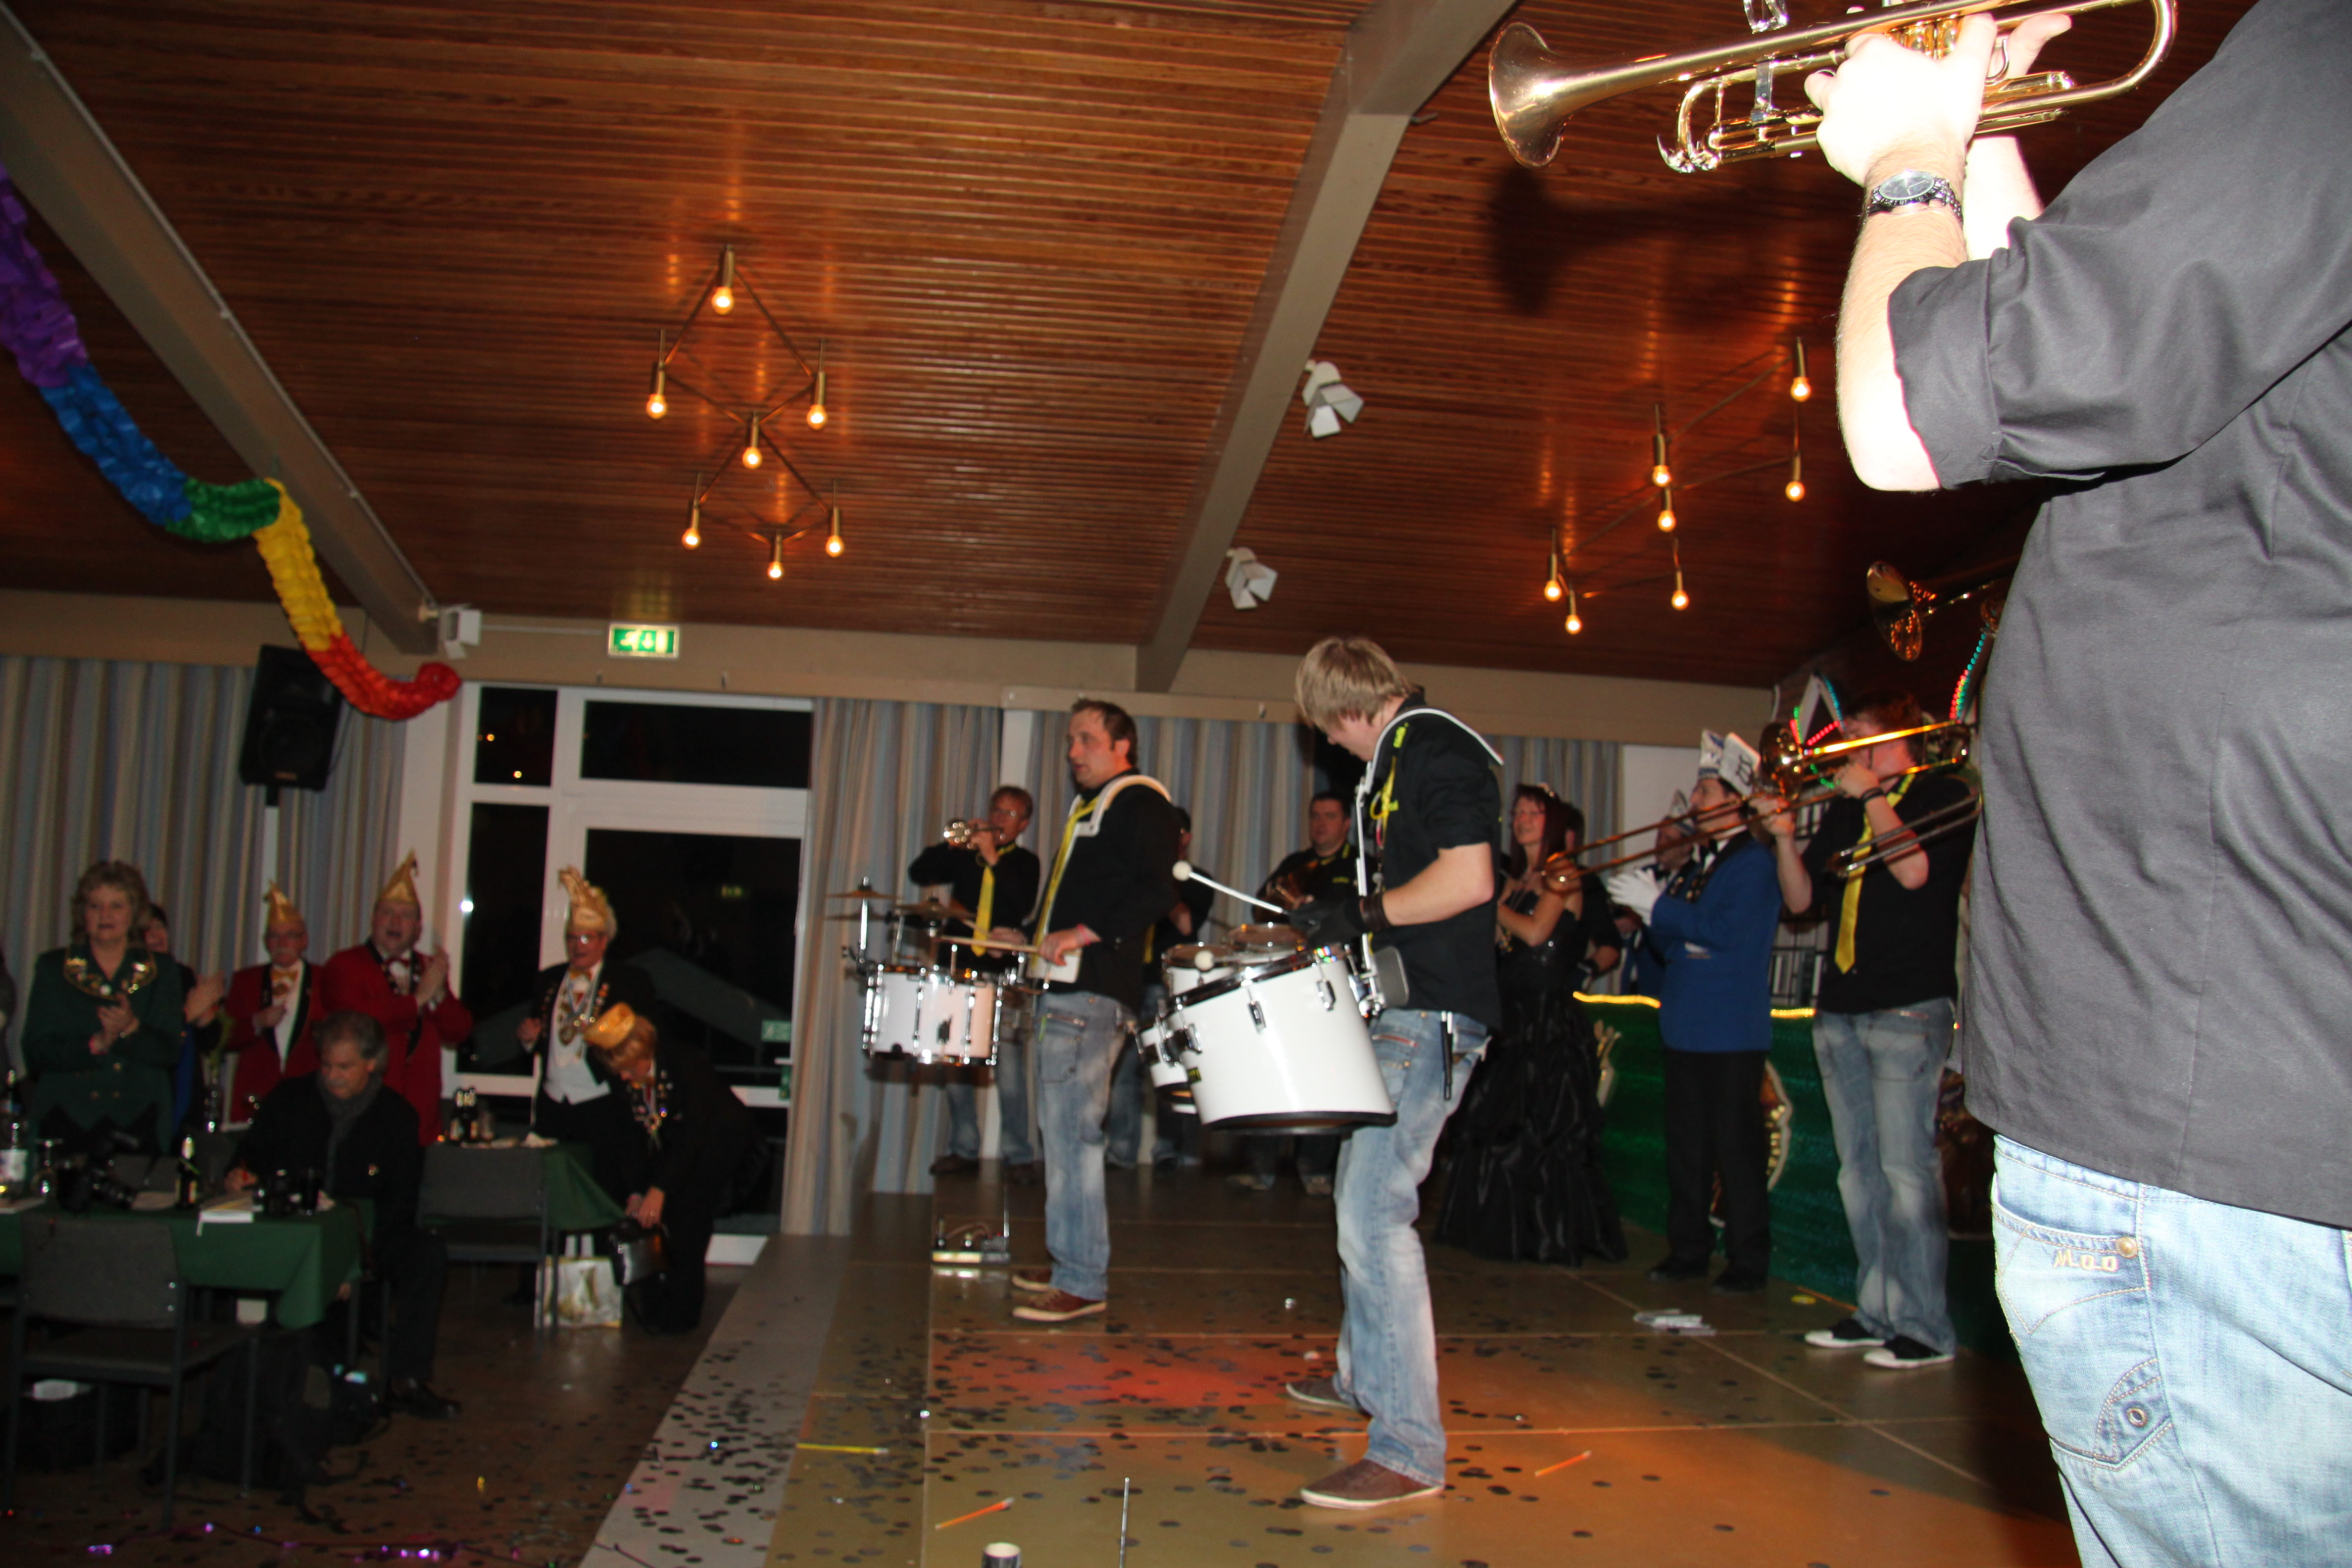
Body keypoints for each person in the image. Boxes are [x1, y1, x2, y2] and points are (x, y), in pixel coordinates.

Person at [1807, 2, 2352, 1555]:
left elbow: (1907, 416)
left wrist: (1908, 160)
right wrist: (1984, 117)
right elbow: (2088, 392)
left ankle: (1903, 1319)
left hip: (2206, 1089)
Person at [1282, 636, 1501, 1510]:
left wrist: (1360, 913)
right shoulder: (1399, 758)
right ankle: (1363, 1378)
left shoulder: (1434, 748)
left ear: (1349, 709)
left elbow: (1470, 879)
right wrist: (1349, 920)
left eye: (1329, 730)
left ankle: (1408, 1447)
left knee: (1375, 1212)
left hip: (1433, 1016)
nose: (1332, 746)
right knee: (1359, 1199)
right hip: (1409, 1011)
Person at [1760, 694, 1974, 1372]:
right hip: (1842, 1006)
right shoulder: (1848, 809)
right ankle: (1877, 1311)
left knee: (1906, 1171)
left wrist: (1876, 796)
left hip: (1907, 1006)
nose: (1840, 746)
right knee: (1858, 1172)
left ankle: (1926, 1328)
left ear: (1897, 737)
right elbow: (1800, 903)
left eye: (1855, 733)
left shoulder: (1944, 794)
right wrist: (1784, 838)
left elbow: (1913, 872)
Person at [1007, 699, 1180, 1324]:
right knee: (1061, 1133)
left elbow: (1159, 890)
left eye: (1085, 739)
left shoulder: (1140, 802)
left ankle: (1081, 1278)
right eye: (1070, 741)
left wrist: (1081, 934)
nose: (1073, 751)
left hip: (1093, 990)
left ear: (1121, 745)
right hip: (1069, 988)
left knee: (1074, 1136)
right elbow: (1079, 898)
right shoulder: (1094, 806)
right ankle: (1069, 1261)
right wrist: (1027, 934)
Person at [1607, 735, 1781, 1295]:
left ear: (1734, 800)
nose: (1696, 801)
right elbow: (1676, 946)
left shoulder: (1753, 862)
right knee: (1687, 1147)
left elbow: (1724, 933)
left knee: (1737, 1149)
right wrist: (1659, 915)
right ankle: (1688, 1249)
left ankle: (1748, 1258)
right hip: (1687, 1026)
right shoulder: (1698, 866)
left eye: (1706, 791)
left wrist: (1662, 910)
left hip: (1729, 1030)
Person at [229, 1010, 457, 1420]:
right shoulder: (290, 1099)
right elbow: (251, 1155)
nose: (333, 1076)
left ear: (371, 1064)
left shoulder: (397, 1117)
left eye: (345, 1067)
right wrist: (240, 1173)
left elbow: (399, 1204)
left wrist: (351, 1259)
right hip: (297, 1227)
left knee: (426, 1254)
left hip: (365, 1232)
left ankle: (406, 1378)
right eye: (327, 1065)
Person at [1435, 784, 1625, 1265]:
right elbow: (1499, 939)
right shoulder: (1516, 879)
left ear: (1553, 821)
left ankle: (1546, 1233)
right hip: (1510, 1011)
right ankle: (1501, 1230)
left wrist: (1487, 904)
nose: (1522, 819)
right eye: (1518, 812)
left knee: (1544, 1126)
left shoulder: (1563, 872)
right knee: (1493, 1121)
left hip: (1546, 1017)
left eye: (1534, 813)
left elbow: (1538, 932)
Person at [582, 1002, 756, 1336]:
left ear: (642, 1054)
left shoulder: (685, 1062)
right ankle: (655, 1308)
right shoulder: (624, 1080)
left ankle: (683, 1315)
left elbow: (694, 1134)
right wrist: (637, 1191)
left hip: (715, 1145)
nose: (623, 1077)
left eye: (628, 1069)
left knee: (688, 1219)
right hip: (670, 1147)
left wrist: (660, 1189)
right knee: (649, 1219)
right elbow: (629, 1140)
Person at [906, 786, 1040, 1179]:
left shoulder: (1026, 863)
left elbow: (1020, 905)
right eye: (996, 811)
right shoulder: (966, 856)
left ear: (1023, 824)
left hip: (1003, 974)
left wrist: (993, 858)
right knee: (954, 1064)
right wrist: (953, 844)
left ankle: (1018, 1155)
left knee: (1009, 1069)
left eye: (1009, 815)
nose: (999, 820)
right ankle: (963, 1148)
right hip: (958, 968)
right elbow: (919, 873)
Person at [1230, 792, 1359, 1193]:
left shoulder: (1359, 866)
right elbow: (1260, 909)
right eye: (1315, 816)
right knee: (1274, 1064)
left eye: (1330, 816)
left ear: (1346, 824)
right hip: (1289, 978)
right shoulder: (1295, 864)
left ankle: (1317, 1166)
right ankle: (1260, 1165)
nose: (1321, 823)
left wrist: (1318, 911)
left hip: (1336, 981)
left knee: (1327, 1073)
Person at [512, 867, 657, 1206]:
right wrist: (528, 1038)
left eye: (586, 938)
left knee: (602, 1195)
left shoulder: (629, 982)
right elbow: (540, 1039)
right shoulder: (548, 980)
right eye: (571, 938)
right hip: (553, 1105)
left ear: (604, 940)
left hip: (602, 1104)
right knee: (549, 1198)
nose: (577, 946)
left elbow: (647, 1039)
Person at [20, 861, 185, 1153]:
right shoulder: (54, 968)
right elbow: (36, 1052)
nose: (105, 915)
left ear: (135, 913)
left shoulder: (161, 970)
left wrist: (131, 1029)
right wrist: (94, 1045)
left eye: (116, 906)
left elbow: (170, 1051)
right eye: (95, 906)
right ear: (83, 913)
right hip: (66, 1116)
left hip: (138, 1120)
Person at [317, 853, 471, 1145]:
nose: (396, 922)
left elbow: (459, 1031)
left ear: (418, 928)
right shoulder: (344, 964)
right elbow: (356, 1020)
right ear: (374, 920)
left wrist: (438, 994)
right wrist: (418, 1000)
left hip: (420, 1116)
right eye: (388, 913)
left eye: (406, 916)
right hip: (364, 1111)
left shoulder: (427, 967)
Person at [1107, 805, 1212, 1173]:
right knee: (1123, 1072)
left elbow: (1185, 925)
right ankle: (1121, 1152)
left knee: (1172, 1070)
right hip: (1130, 980)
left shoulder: (1197, 880)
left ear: (1185, 838)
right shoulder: (1136, 875)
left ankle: (1170, 1150)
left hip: (1166, 986)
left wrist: (1161, 882)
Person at [221, 883, 319, 1125]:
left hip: (308, 1095)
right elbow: (225, 1038)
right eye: (274, 936)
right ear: (266, 941)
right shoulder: (246, 980)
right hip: (256, 1095)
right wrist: (256, 1022)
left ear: (304, 940)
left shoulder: (325, 979)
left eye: (291, 935)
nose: (282, 942)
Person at [138, 900, 227, 1133]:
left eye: (160, 927)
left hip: (186, 1085)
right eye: (147, 930)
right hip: (150, 1088)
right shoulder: (133, 982)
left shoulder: (183, 975)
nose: (156, 935)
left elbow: (211, 1041)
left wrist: (206, 1016)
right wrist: (188, 1013)